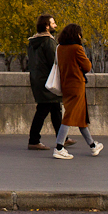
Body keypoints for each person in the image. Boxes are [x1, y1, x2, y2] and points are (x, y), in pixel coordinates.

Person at [51, 23, 103, 159]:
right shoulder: (77, 48)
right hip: (77, 85)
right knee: (69, 116)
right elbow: (87, 66)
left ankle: (92, 145)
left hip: (65, 85)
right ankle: (59, 147)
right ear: (76, 34)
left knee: (80, 116)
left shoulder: (59, 48)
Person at [26, 14, 74, 151]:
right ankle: (34, 140)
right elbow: (56, 62)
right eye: (53, 23)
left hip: (38, 80)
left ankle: (62, 138)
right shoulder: (48, 42)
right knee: (43, 110)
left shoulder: (33, 42)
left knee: (55, 109)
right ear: (46, 26)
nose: (55, 25)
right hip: (48, 81)